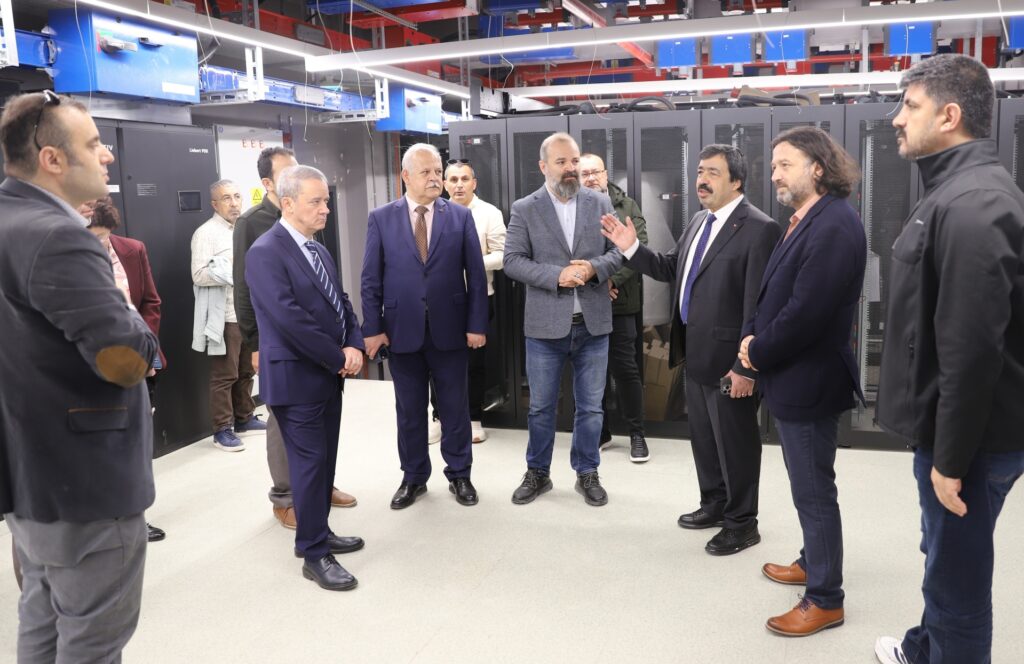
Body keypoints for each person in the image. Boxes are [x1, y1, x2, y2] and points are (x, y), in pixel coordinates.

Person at [874, 54, 1024, 664]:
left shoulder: (972, 205)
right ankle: (922, 649)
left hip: (969, 442)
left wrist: (951, 459)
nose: (896, 118)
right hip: (960, 432)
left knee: (956, 582)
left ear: (949, 115)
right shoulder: (954, 192)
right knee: (943, 557)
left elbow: (971, 349)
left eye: (910, 105)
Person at [0, 90, 158, 661]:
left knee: (42, 621)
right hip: (86, 485)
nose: (107, 155)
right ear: (52, 160)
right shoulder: (60, 236)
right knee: (92, 642)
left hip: (30, 474)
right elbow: (125, 359)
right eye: (93, 145)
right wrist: (127, 310)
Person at [602, 144, 779, 555]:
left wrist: (746, 367)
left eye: (713, 172)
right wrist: (631, 248)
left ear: (736, 180)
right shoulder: (700, 220)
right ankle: (714, 503)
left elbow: (759, 304)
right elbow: (670, 267)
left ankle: (742, 522)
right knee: (704, 439)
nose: (702, 179)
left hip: (731, 360)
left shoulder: (760, 228)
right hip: (695, 353)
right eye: (700, 171)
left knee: (735, 444)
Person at [737, 126, 866, 636]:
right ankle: (813, 562)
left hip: (810, 378)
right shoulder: (805, 219)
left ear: (818, 167)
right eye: (773, 166)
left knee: (813, 491)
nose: (775, 175)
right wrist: (753, 338)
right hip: (792, 374)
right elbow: (774, 292)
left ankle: (826, 598)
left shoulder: (833, 224)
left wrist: (756, 351)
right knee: (805, 483)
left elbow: (806, 313)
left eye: (785, 164)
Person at [245, 165, 365, 591]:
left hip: (327, 374)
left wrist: (355, 343)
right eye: (316, 201)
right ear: (288, 203)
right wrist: (338, 356)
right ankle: (313, 554)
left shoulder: (317, 248)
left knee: (324, 460)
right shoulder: (265, 252)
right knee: (309, 466)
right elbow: (289, 319)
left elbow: (340, 301)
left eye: (326, 201)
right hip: (296, 379)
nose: (325, 209)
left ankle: (320, 530)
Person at [360, 143, 488, 509]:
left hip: (451, 329)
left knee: (454, 408)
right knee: (409, 410)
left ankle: (460, 474)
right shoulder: (381, 218)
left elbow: (476, 276)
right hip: (401, 330)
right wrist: (373, 328)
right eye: (426, 172)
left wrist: (476, 324)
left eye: (437, 172)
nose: (435, 179)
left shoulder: (459, 217)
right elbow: (370, 279)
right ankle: (413, 477)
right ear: (405, 176)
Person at [503, 132, 623, 507]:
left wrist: (593, 268)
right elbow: (512, 261)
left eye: (574, 161)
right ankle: (538, 473)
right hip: (544, 328)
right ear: (544, 166)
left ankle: (587, 472)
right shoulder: (525, 208)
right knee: (540, 408)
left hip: (593, 325)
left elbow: (619, 251)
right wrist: (557, 276)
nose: (571, 169)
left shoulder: (600, 201)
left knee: (591, 407)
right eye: (561, 162)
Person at [86, 197, 168, 544]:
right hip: (91, 368)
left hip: (137, 361)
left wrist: (142, 347)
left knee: (137, 442)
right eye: (94, 237)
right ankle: (103, 518)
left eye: (104, 236)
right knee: (101, 445)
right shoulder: (68, 258)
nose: (101, 244)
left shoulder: (133, 250)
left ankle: (134, 515)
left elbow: (151, 302)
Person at [578, 152, 650, 463]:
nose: (591, 178)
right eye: (585, 174)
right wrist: (596, 281)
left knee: (626, 370)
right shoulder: (571, 207)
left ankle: (637, 434)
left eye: (595, 172)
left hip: (621, 303)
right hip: (586, 303)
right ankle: (601, 433)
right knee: (592, 371)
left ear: (606, 175)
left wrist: (610, 280)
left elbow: (638, 248)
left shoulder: (627, 206)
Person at [191, 178, 262, 452]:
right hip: (225, 316)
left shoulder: (245, 228)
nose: (233, 203)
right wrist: (231, 268)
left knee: (246, 371)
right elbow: (198, 275)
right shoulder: (205, 233)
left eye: (236, 196)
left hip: (248, 313)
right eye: (226, 198)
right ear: (214, 204)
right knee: (224, 375)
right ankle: (222, 429)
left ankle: (244, 418)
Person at [439, 158, 506, 444]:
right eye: (453, 180)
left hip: (477, 298)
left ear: (474, 183)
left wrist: (469, 264)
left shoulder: (489, 213)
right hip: (441, 300)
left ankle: (473, 417)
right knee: (438, 360)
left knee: (474, 362)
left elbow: (503, 255)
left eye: (464, 179)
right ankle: (439, 417)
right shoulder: (435, 212)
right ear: (445, 184)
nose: (459, 185)